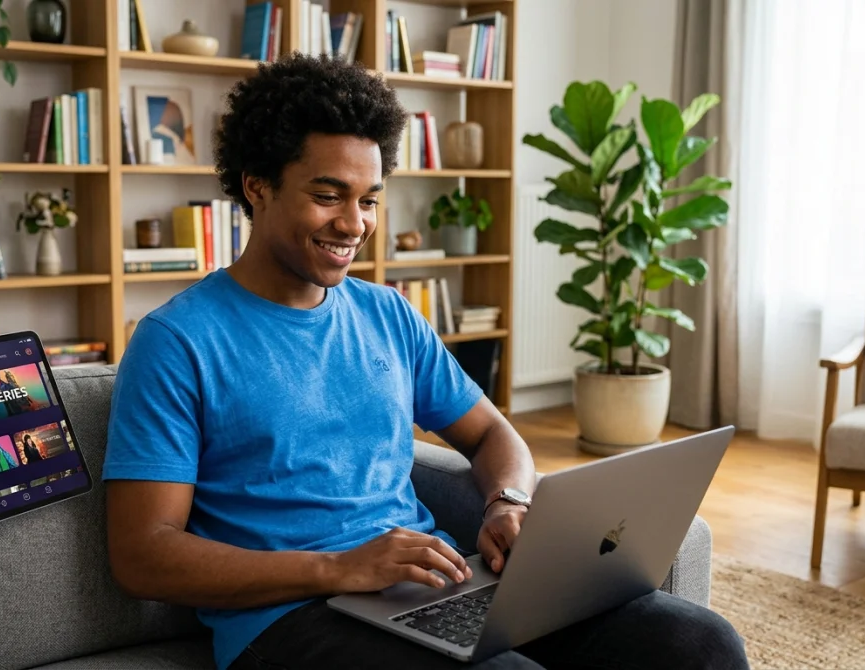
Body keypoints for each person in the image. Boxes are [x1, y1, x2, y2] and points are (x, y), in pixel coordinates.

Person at [102, 53, 748, 670]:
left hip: (427, 591)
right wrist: (340, 567)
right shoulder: (176, 342)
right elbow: (142, 556)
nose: (355, 224)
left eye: (370, 199)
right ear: (257, 186)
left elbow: (493, 433)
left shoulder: (389, 315)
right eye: (329, 195)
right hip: (287, 622)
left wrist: (507, 503)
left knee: (701, 647)